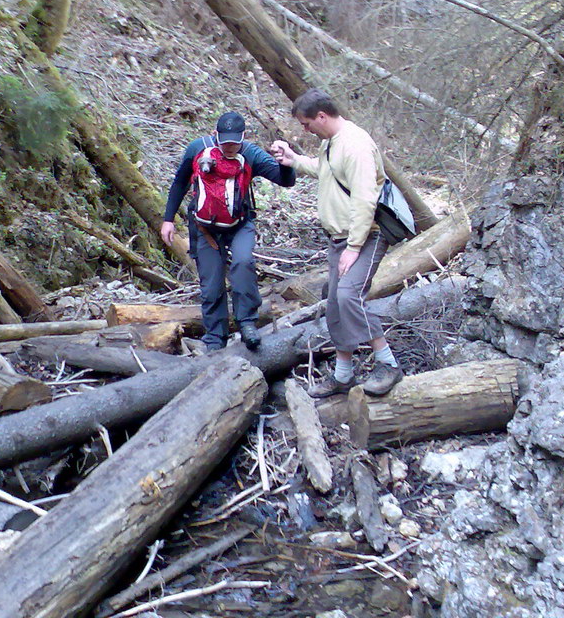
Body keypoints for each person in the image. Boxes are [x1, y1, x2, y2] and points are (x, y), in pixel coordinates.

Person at [271, 88, 403, 397]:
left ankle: (389, 364)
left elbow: (364, 200)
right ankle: (344, 375)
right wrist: (294, 160)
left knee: (348, 297)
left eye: (306, 124)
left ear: (321, 116)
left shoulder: (355, 145)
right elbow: (327, 173)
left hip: (365, 235)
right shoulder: (331, 143)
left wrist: (355, 248)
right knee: (334, 304)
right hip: (339, 237)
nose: (305, 130)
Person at [162, 111, 296, 352]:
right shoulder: (197, 149)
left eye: (236, 141)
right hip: (204, 227)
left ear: (243, 136)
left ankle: (247, 323)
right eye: (226, 142)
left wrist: (286, 164)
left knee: (243, 263)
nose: (231, 146)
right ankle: (215, 340)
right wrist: (168, 219)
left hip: (240, 223)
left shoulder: (250, 153)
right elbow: (180, 181)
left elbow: (285, 181)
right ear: (216, 135)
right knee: (211, 285)